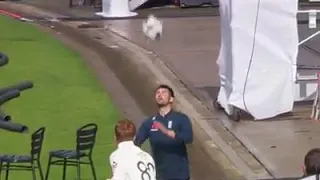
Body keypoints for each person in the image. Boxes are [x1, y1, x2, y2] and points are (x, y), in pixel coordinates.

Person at [134, 84, 193, 180]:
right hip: (159, 174)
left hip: (180, 174)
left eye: (164, 92)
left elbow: (188, 138)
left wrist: (168, 132)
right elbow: (137, 142)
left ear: (171, 99)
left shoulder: (181, 118)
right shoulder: (150, 122)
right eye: (158, 93)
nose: (160, 95)